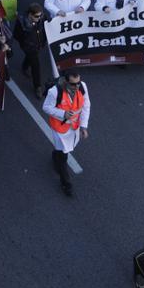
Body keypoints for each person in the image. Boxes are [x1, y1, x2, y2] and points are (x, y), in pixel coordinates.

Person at [42, 68, 90, 197]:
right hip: (59, 128)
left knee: (63, 150)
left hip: (74, 127)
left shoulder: (82, 87)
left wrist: (84, 127)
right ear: (65, 82)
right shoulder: (54, 92)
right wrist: (63, 114)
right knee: (64, 154)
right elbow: (46, 107)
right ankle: (66, 184)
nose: (77, 86)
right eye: (74, 84)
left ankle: (55, 156)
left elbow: (86, 106)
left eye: (78, 83)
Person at [13, 3, 48, 98]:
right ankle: (38, 87)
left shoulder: (42, 17)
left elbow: (48, 23)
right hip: (29, 47)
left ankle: (24, 66)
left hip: (39, 44)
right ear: (30, 14)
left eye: (40, 15)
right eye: (37, 16)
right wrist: (25, 44)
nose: (39, 18)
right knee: (36, 65)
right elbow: (16, 35)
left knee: (31, 59)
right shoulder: (21, 22)